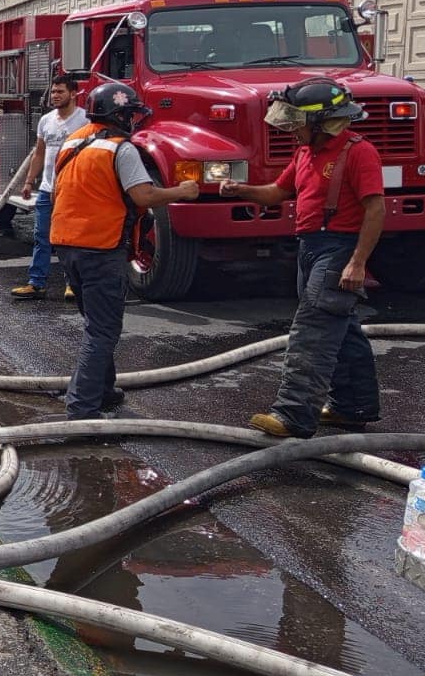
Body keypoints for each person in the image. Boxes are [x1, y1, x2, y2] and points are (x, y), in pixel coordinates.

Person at [220, 78, 384, 438]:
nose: (291, 129)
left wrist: (357, 262)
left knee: (313, 332)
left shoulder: (358, 152)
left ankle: (293, 414)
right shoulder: (306, 152)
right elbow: (278, 192)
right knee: (342, 330)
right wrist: (242, 190)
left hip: (338, 249)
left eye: (297, 122)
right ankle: (354, 405)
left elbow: (376, 209)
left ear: (323, 120)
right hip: (311, 248)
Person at [50, 82, 198, 419]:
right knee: (103, 330)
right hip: (100, 247)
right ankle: (82, 408)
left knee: (95, 321)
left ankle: (103, 390)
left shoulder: (74, 142)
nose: (133, 119)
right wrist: (182, 191)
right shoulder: (121, 149)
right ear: (119, 115)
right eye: (129, 113)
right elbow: (143, 197)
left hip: (66, 244)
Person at [12, 75, 87, 301]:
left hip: (72, 190)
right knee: (41, 236)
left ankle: (72, 285)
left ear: (73, 93)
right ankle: (37, 283)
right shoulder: (46, 121)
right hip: (46, 189)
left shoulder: (84, 120)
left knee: (70, 239)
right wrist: (28, 182)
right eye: (53, 92)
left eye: (60, 92)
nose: (55, 96)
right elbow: (40, 153)